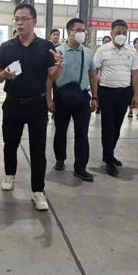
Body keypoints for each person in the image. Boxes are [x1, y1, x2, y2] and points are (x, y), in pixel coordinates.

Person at [0, 4, 64, 211]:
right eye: (17, 19)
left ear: (34, 21)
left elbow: (52, 76)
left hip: (37, 105)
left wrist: (59, 66)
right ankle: (9, 174)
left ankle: (38, 191)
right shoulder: (7, 47)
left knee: (38, 149)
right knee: (10, 143)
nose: (20, 23)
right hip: (13, 103)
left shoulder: (45, 47)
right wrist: (4, 75)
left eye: (24, 19)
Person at [47, 18, 98, 182]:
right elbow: (49, 78)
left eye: (83, 30)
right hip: (62, 96)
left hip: (82, 96)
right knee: (60, 130)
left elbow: (92, 75)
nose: (82, 33)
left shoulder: (88, 53)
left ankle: (80, 167)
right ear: (69, 32)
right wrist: (49, 99)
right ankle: (60, 158)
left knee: (82, 132)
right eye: (78, 30)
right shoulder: (57, 51)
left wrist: (94, 97)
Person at [94, 20, 138, 177]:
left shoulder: (132, 51)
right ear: (111, 33)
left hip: (124, 92)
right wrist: (95, 95)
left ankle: (109, 154)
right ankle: (108, 160)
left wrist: (135, 94)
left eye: (124, 33)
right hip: (106, 92)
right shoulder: (102, 50)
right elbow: (95, 72)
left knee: (117, 127)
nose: (121, 35)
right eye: (118, 32)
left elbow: (135, 74)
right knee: (108, 126)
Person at [95, 35, 113, 115]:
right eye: (106, 41)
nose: (107, 43)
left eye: (109, 41)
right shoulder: (100, 51)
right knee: (98, 94)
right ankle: (98, 107)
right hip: (99, 79)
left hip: (108, 80)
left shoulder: (113, 53)